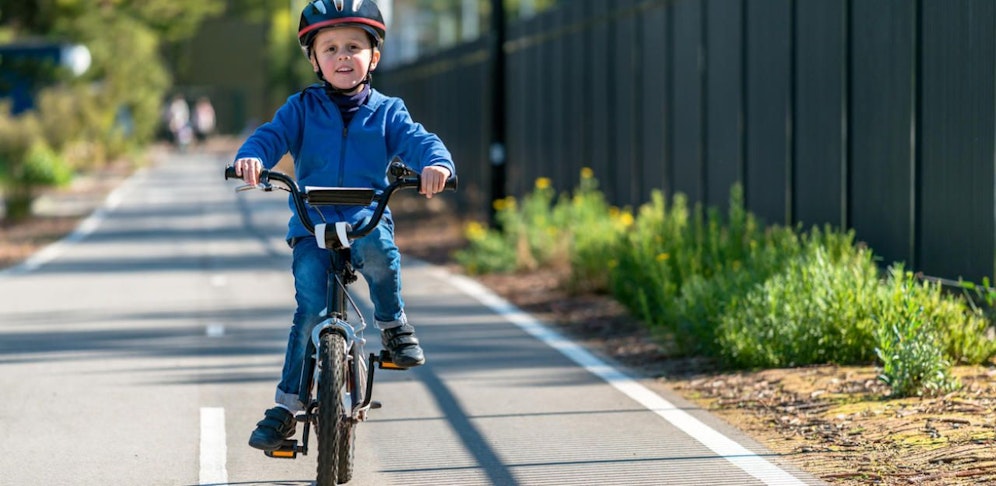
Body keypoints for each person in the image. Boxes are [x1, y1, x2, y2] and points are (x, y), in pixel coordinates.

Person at [231, 0, 456, 451]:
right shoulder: (301, 109)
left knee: (381, 254)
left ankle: (393, 326)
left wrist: (436, 164)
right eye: (329, 47)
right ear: (314, 59)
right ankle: (287, 405)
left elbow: (419, 140)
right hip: (312, 223)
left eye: (354, 46)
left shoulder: (388, 111)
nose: (342, 56)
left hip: (364, 217)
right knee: (310, 308)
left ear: (374, 56)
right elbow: (269, 136)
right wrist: (252, 157)